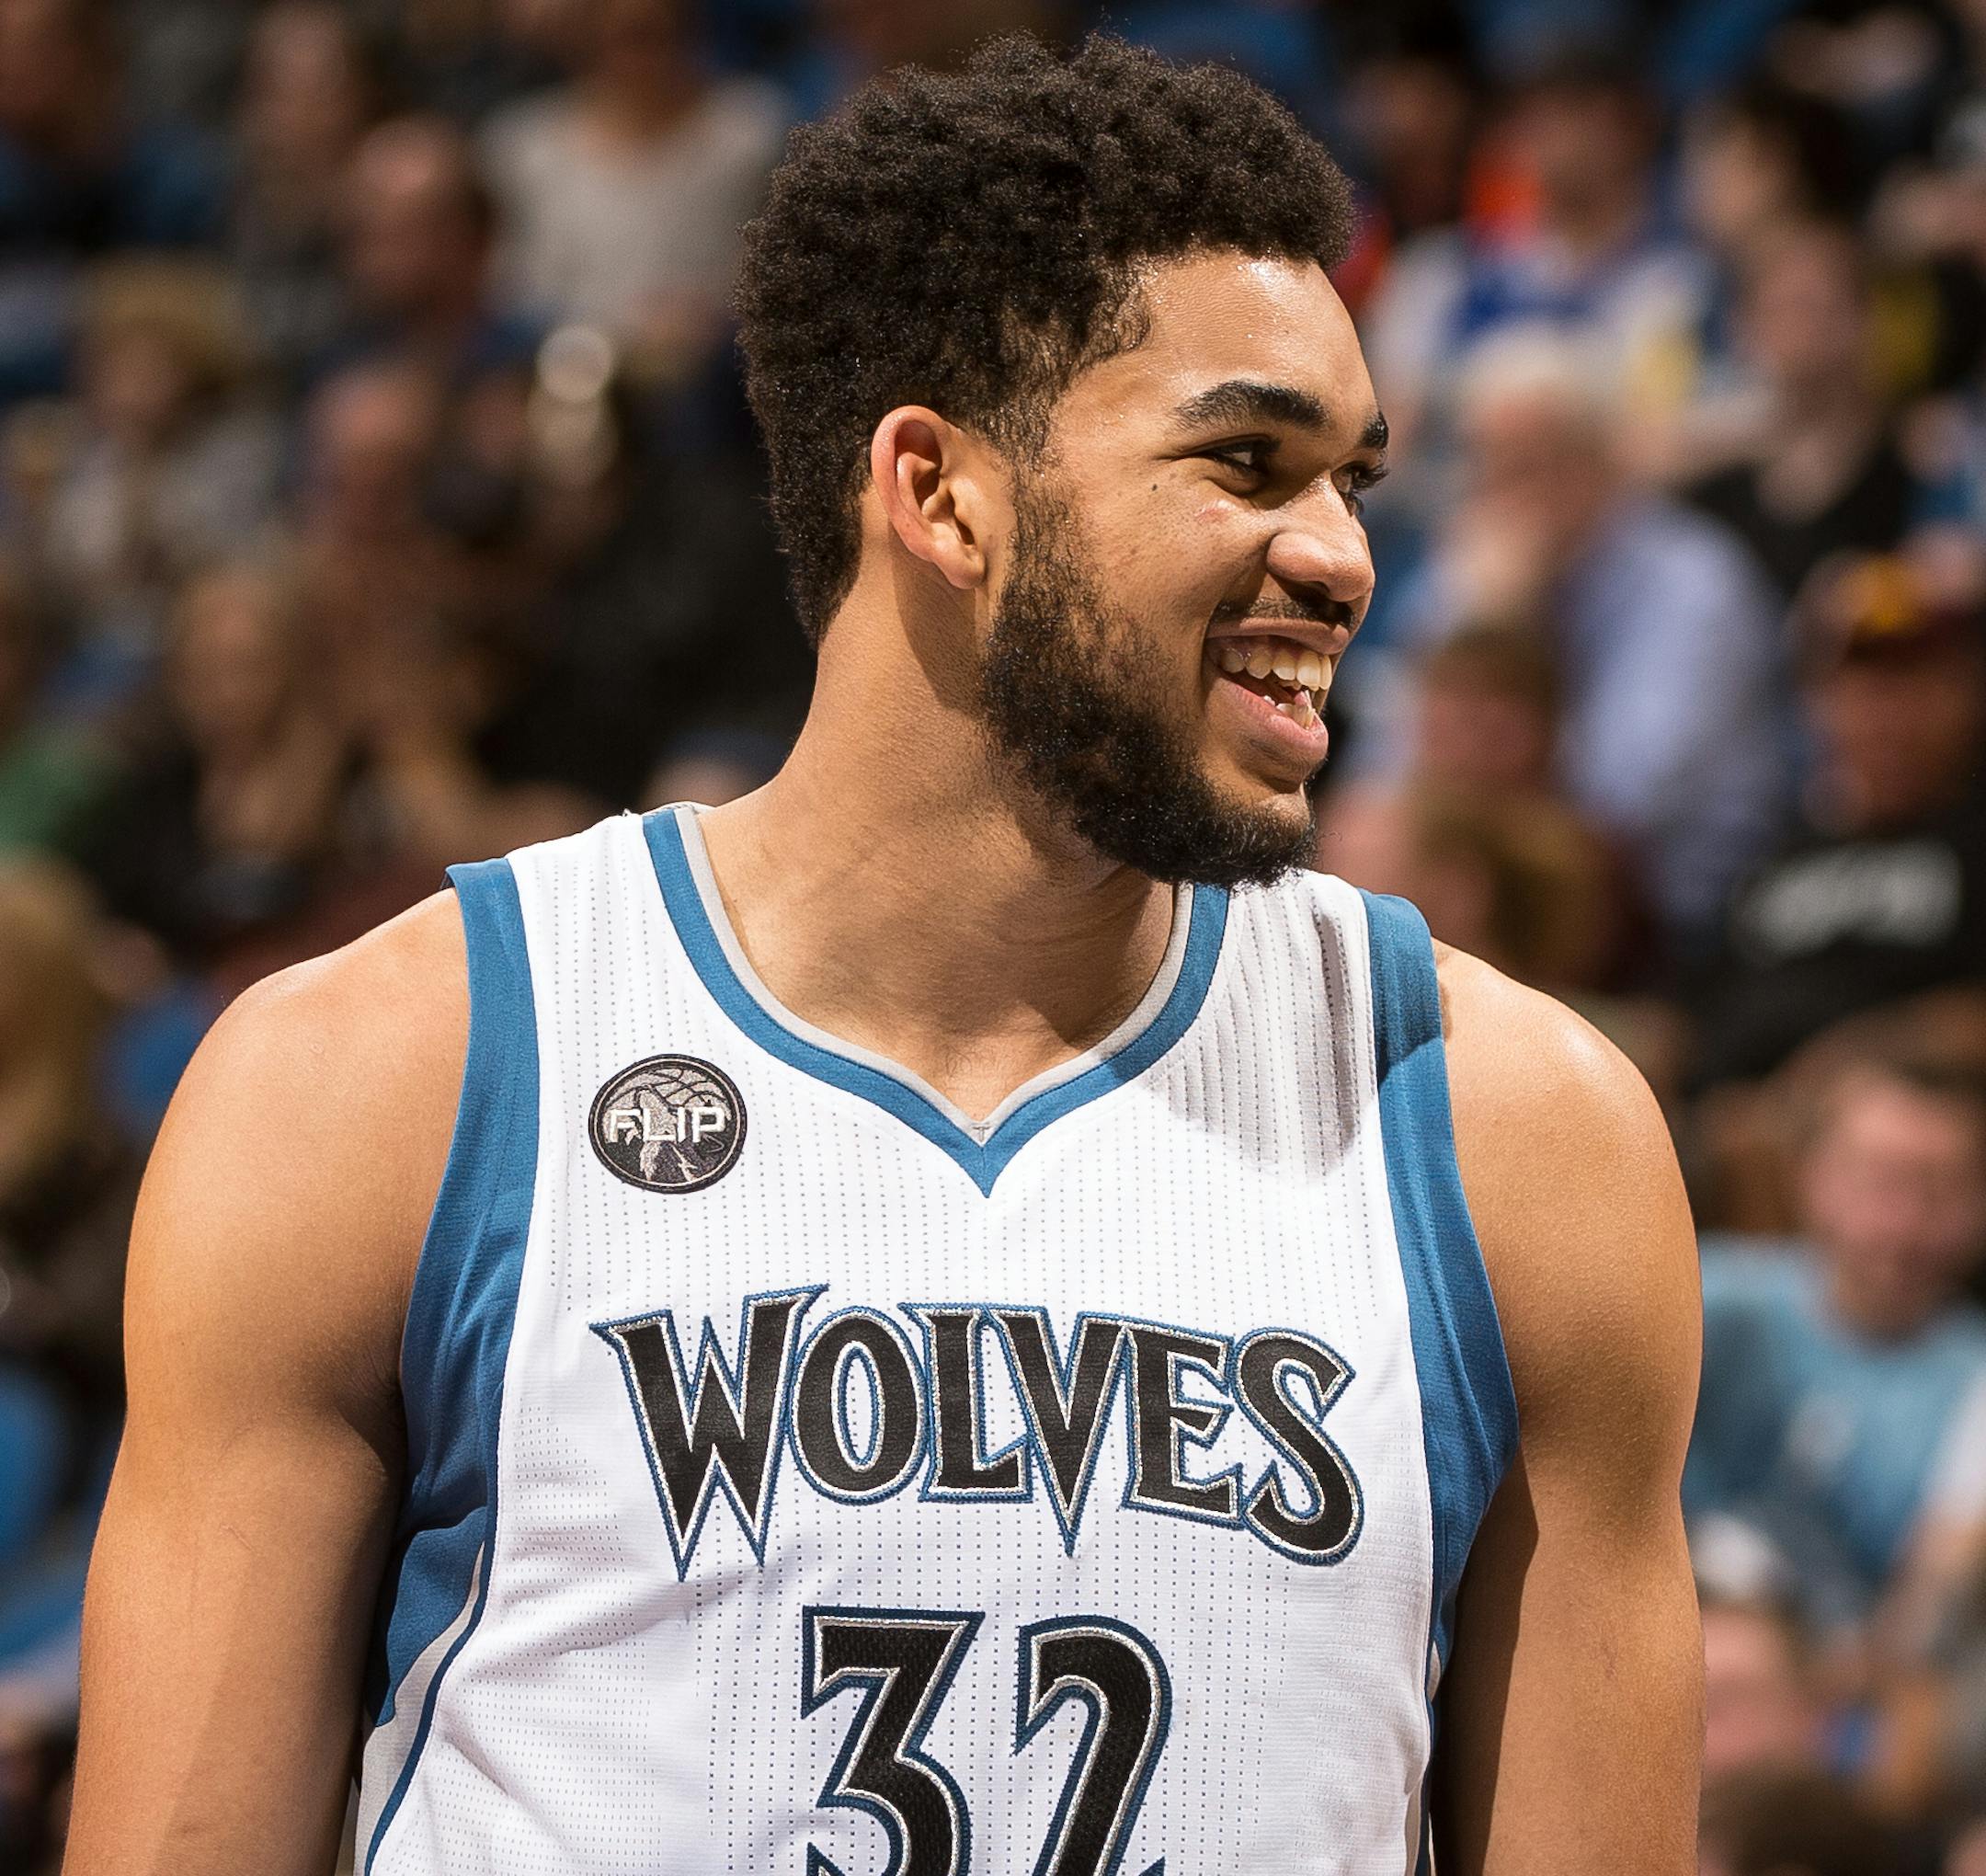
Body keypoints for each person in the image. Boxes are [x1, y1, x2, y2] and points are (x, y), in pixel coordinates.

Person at [63, 34, 1703, 1875]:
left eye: (1353, 484)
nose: (1338, 557)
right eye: (1247, 461)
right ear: (937, 493)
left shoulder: (1519, 1138)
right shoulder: (383, 1078)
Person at [1687, 1047, 1986, 1641]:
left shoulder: (1973, 1382)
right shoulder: (1703, 1302)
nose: (1901, 1224)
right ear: (1813, 1175)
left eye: (1938, 1190)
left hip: (1843, 1700)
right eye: (1879, 1182)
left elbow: (1926, 1619)